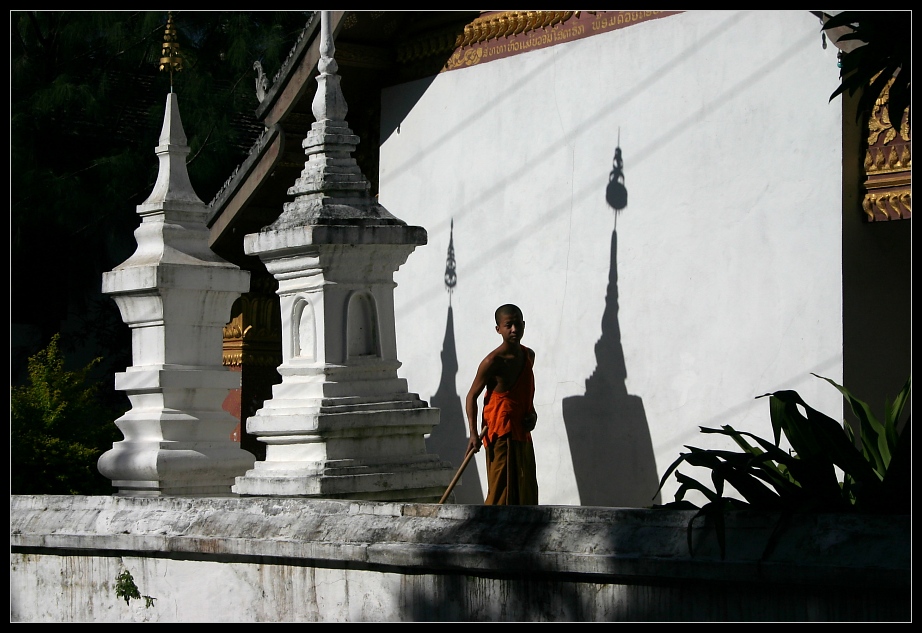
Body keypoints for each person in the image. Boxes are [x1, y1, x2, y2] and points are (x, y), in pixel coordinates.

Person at [465, 304, 539, 505]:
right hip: (500, 432)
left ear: (523, 325)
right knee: (501, 492)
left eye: (517, 324)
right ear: (498, 329)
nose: (514, 329)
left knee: (526, 490)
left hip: (522, 433)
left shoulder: (528, 356)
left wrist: (532, 415)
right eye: (508, 325)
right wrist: (473, 433)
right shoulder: (493, 361)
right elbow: (472, 396)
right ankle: (491, 533)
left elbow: (526, 396)